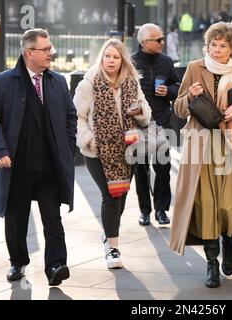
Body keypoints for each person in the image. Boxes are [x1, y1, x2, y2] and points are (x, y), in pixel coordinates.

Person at [0, 29, 77, 285]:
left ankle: (56, 266)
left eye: (50, 48)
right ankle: (18, 262)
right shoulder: (3, 82)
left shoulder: (58, 81)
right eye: (45, 49)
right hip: (16, 167)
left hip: (49, 167)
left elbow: (71, 115)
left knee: (52, 220)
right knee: (16, 219)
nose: (51, 53)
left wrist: (67, 146)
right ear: (28, 53)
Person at [169, 22, 232, 288]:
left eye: (223, 45)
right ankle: (212, 262)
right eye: (213, 45)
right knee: (207, 204)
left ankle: (229, 242)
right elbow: (178, 108)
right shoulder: (195, 68)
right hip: (202, 144)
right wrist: (189, 97)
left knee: (230, 204)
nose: (217, 50)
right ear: (206, 45)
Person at [74, 39, 152, 269]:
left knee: (121, 194)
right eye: (107, 56)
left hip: (126, 150)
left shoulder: (131, 83)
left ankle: (109, 233)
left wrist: (138, 111)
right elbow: (76, 117)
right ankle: (113, 249)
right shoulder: (88, 84)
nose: (111, 60)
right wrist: (89, 140)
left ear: (122, 60)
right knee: (110, 195)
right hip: (97, 152)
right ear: (102, 57)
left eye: (116, 57)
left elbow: (146, 114)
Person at [132, 23, 180, 227]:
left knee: (162, 168)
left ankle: (161, 210)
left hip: (162, 122)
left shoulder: (167, 62)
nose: (162, 42)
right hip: (138, 124)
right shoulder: (130, 62)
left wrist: (168, 91)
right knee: (140, 169)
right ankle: (145, 210)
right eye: (158, 40)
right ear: (144, 42)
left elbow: (179, 86)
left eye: (162, 39)